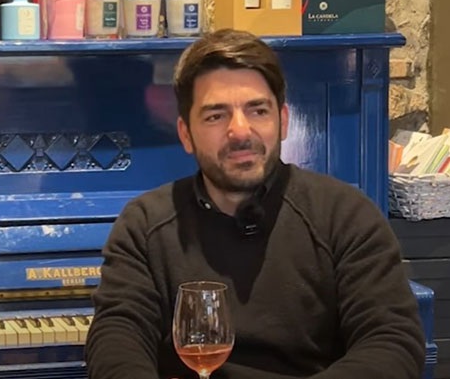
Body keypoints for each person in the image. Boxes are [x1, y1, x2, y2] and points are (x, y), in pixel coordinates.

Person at [84, 28, 426, 379]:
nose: (240, 131)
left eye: (258, 110)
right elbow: (115, 339)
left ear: (283, 121)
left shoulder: (346, 216)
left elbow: (392, 342)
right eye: (216, 115)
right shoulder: (144, 225)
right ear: (186, 134)